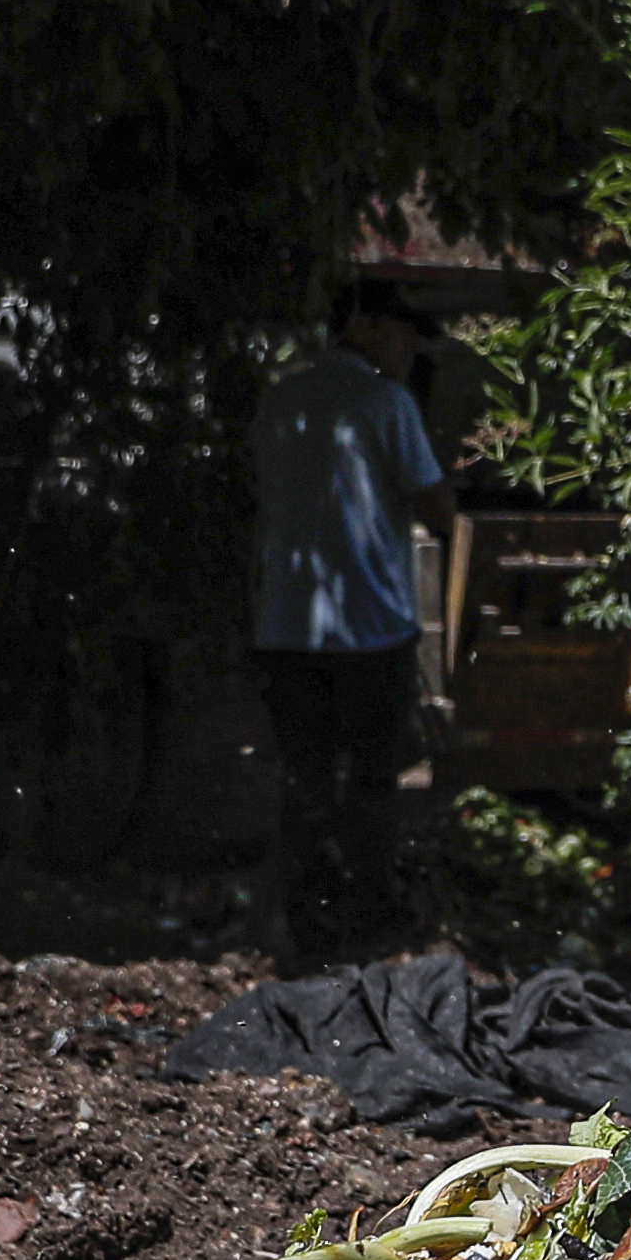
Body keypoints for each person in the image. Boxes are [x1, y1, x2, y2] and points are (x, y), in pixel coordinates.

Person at [250, 280, 459, 963]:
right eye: (401, 335)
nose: (407, 351)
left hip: (285, 626)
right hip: (368, 628)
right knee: (371, 780)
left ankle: (304, 921)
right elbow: (436, 509)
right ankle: (369, 917)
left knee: (304, 776)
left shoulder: (282, 399)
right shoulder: (385, 402)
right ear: (366, 328)